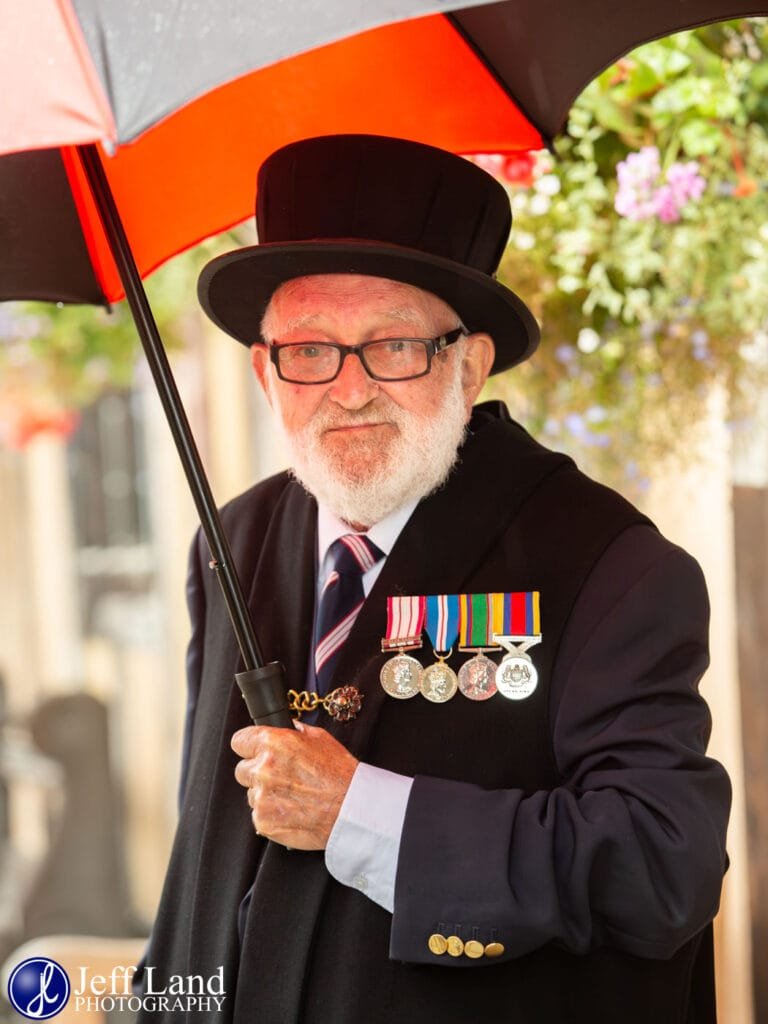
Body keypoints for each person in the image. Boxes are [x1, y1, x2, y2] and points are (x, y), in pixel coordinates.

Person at [138, 135, 731, 1024]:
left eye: (394, 346)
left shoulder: (610, 565)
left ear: (470, 363)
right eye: (308, 350)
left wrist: (365, 816)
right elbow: (206, 862)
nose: (347, 390)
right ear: (266, 371)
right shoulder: (233, 540)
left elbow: (660, 865)